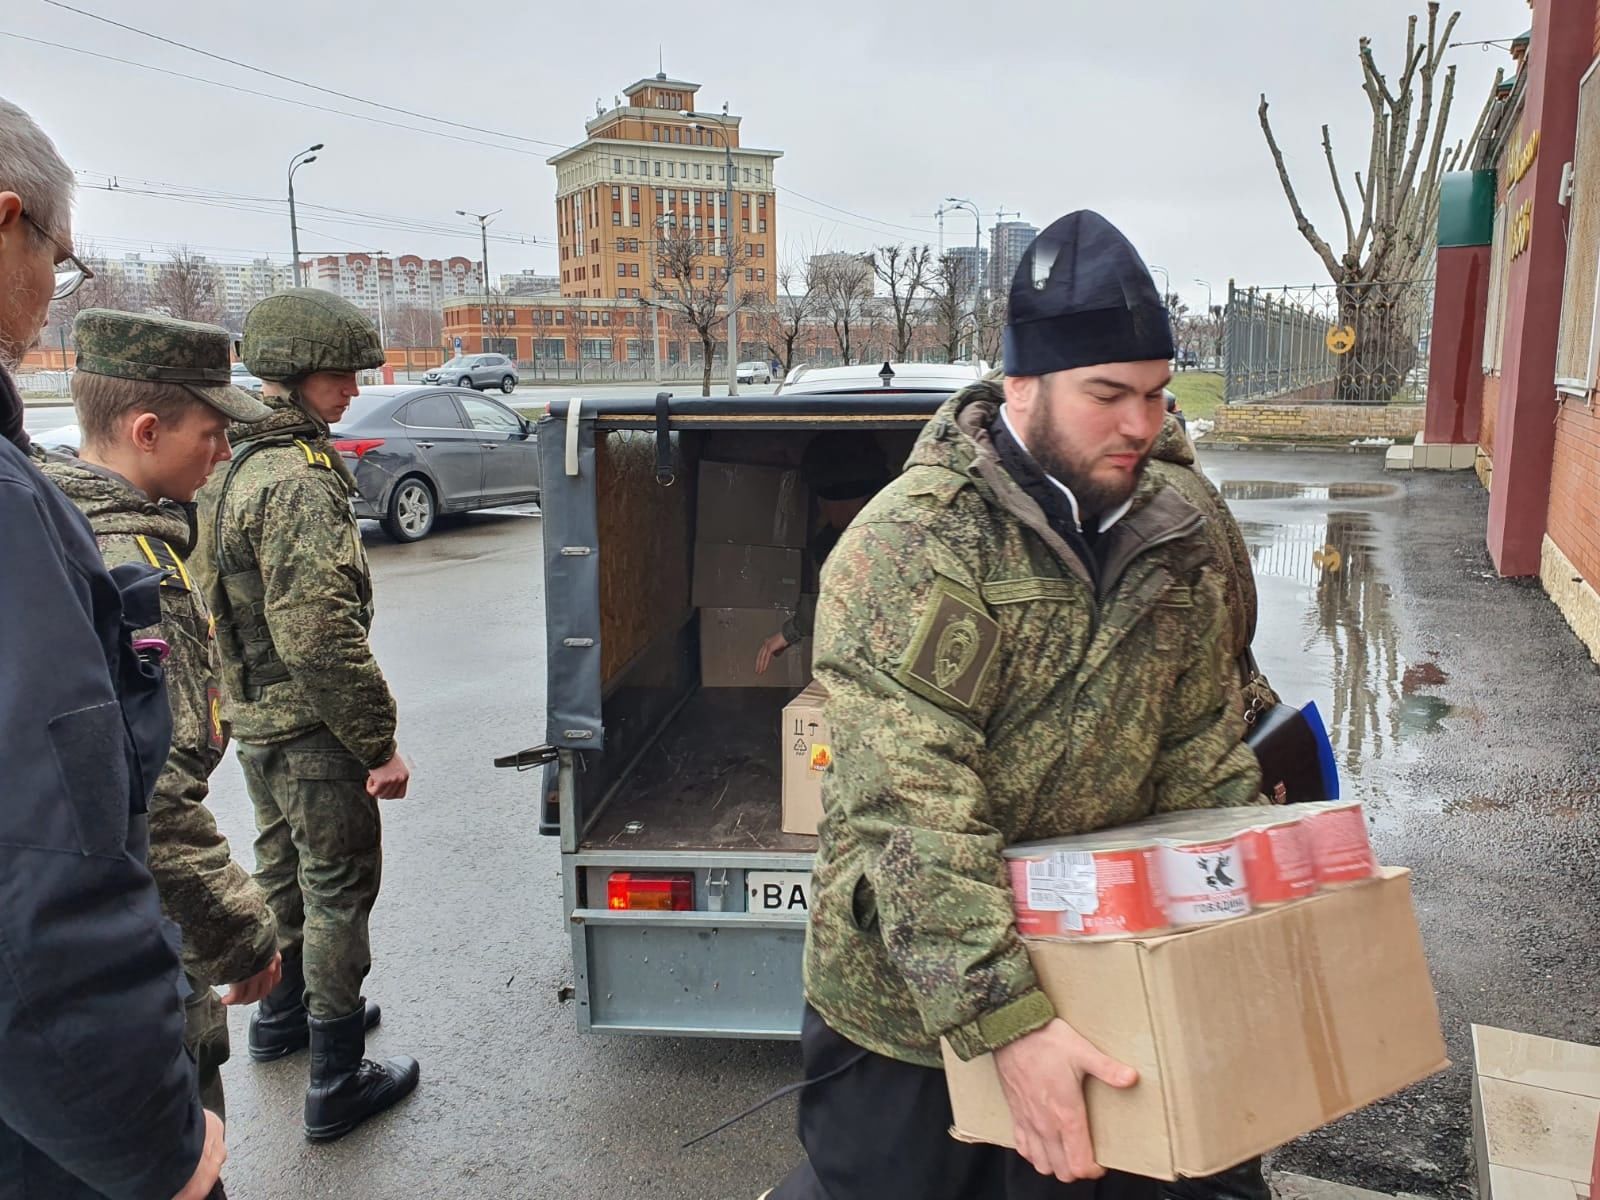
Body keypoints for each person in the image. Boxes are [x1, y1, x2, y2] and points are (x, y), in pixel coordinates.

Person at [764, 211, 1262, 1200]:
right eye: (1107, 394)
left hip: (1105, 974)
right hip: (908, 1017)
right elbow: (911, 812)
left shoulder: (1177, 533)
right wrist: (1008, 1026)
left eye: (1158, 395)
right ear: (1022, 386)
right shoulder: (919, 548)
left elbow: (1204, 751)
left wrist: (1239, 939)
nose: (1141, 424)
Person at [0, 96, 226, 1200]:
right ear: (8, 226)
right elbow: (55, 868)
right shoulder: (24, 518)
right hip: (70, 1117)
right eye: (60, 254)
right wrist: (161, 1151)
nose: (52, 284)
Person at [42, 308, 286, 1122]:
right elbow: (156, 797)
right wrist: (243, 930)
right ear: (146, 430)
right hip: (133, 925)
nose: (223, 457)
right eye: (211, 436)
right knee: (182, 1136)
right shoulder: (138, 570)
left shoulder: (47, 522)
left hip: (56, 927)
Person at [191, 288, 418, 1142]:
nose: (354, 387)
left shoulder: (232, 463)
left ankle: (284, 1019)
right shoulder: (292, 480)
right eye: (340, 375)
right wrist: (379, 740)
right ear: (292, 376)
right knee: (337, 889)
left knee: (283, 868)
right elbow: (318, 633)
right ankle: (335, 1076)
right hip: (311, 724)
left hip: (255, 716)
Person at [755, 431, 890, 675]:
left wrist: (790, 631)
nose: (821, 509)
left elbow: (848, 602)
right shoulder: (836, 539)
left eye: (823, 500)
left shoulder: (879, 542)